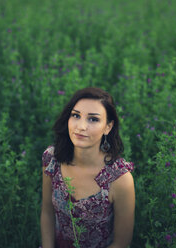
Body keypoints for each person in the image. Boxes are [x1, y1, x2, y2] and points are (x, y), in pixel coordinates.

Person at [41, 87, 135, 248]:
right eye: (76, 115)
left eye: (93, 119)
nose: (81, 126)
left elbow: (121, 243)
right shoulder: (52, 158)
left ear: (108, 127)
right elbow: (47, 212)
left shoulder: (119, 179)